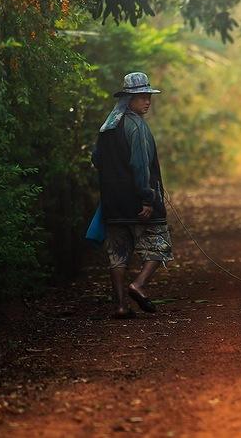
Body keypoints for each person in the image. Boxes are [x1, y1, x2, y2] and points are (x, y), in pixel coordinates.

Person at [92, 72, 173, 319]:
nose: (147, 101)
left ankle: (120, 305)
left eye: (148, 96)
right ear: (129, 98)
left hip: (112, 203)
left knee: (117, 255)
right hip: (138, 203)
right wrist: (147, 198)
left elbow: (96, 160)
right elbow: (140, 166)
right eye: (141, 97)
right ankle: (138, 285)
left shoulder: (107, 127)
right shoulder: (136, 126)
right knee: (160, 244)